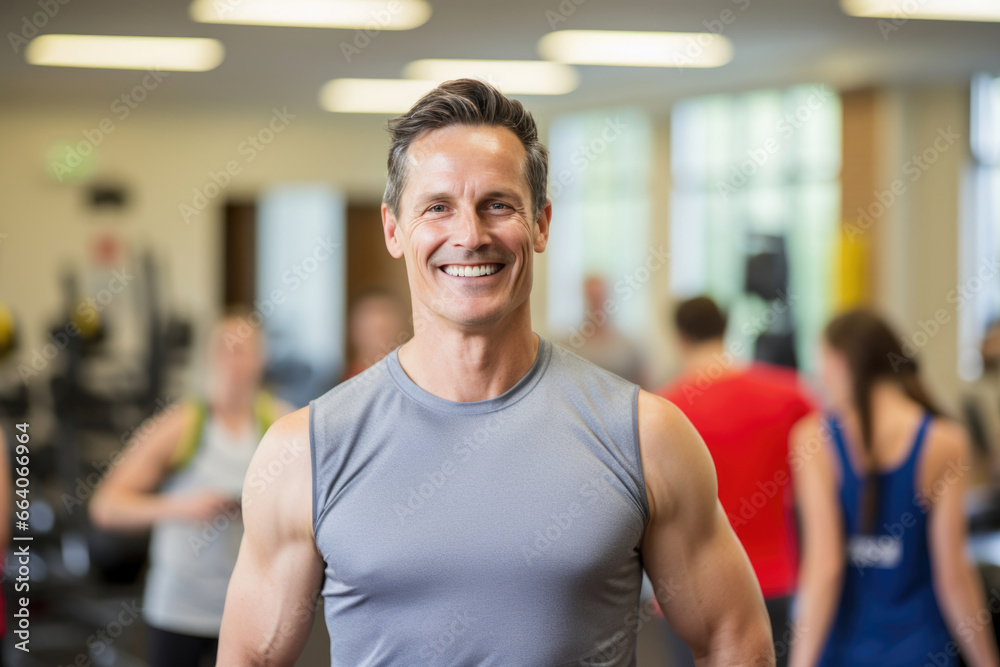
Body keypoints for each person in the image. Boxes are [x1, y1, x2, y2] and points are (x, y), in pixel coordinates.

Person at [217, 78, 773, 666]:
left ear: (541, 223)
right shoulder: (306, 451)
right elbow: (249, 657)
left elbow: (734, 640)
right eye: (437, 207)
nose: (470, 235)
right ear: (393, 229)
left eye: (498, 204)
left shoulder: (646, 436)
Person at [789, 309, 1000, 666]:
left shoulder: (813, 439)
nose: (820, 379)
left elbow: (824, 569)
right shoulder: (945, 441)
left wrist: (799, 661)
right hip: (922, 650)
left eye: (821, 364)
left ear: (841, 363)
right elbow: (954, 577)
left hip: (844, 652)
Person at [89, 313, 290, 667]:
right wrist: (182, 507)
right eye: (223, 350)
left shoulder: (281, 424)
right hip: (178, 610)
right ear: (210, 358)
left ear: (261, 358)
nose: (231, 359)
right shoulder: (180, 424)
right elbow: (105, 507)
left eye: (242, 350)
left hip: (249, 611)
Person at [657, 296, 816, 665]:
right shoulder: (791, 395)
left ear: (680, 338)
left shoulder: (662, 410)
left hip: (689, 593)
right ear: (725, 329)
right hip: (774, 582)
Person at [568, 275, 646, 386]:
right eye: (591, 297)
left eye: (599, 297)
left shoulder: (628, 348)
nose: (595, 303)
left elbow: (643, 388)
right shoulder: (571, 346)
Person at [342, 288, 407, 381]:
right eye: (370, 331)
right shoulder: (335, 386)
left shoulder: (413, 379)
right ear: (353, 330)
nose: (380, 342)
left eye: (385, 330)